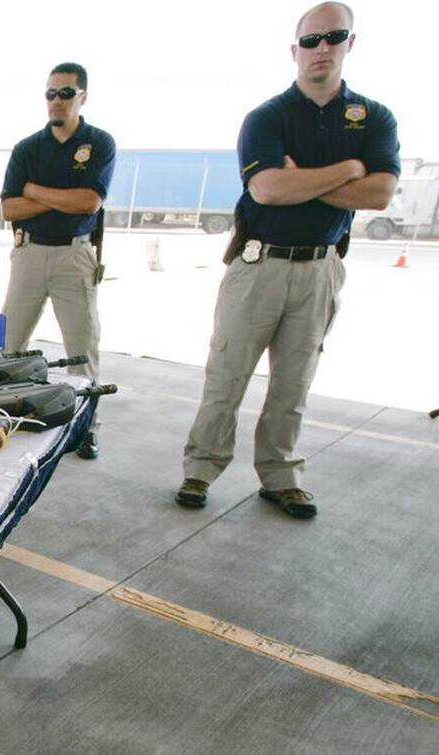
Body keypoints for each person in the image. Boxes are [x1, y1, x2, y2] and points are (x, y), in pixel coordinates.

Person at [177, 2, 399, 518]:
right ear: (294, 50)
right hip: (259, 266)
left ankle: (280, 477)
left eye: (333, 37)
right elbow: (268, 189)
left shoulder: (375, 118)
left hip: (320, 269)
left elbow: (381, 193)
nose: (322, 48)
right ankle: (200, 469)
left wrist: (303, 180)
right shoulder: (268, 117)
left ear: (350, 43)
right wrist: (348, 169)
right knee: (227, 376)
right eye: (311, 40)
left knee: (294, 384)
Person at [0, 62, 116, 459]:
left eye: (66, 93)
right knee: (9, 345)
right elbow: (9, 208)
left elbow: (89, 201)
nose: (57, 101)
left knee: (82, 349)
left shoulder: (98, 143)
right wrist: (61, 198)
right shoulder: (28, 148)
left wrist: (34, 190)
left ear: (83, 97)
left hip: (74, 255)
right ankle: (4, 416)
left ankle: (85, 429)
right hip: (29, 254)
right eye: (51, 93)